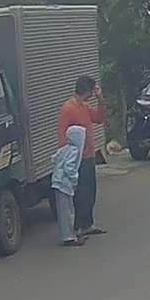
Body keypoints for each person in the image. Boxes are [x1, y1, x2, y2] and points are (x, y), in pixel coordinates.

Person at [58, 76, 108, 238]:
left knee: (90, 191)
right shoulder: (68, 108)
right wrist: (67, 158)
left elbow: (99, 118)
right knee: (80, 194)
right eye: (92, 91)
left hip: (88, 155)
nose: (93, 94)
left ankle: (88, 224)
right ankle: (78, 226)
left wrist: (101, 100)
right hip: (77, 157)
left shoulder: (84, 107)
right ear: (86, 90)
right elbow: (62, 134)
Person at [52, 125, 88, 247]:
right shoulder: (74, 151)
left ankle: (71, 234)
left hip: (58, 182)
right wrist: (74, 180)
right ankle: (68, 237)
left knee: (66, 210)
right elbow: (69, 168)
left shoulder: (65, 148)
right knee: (67, 211)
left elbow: (54, 158)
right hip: (64, 183)